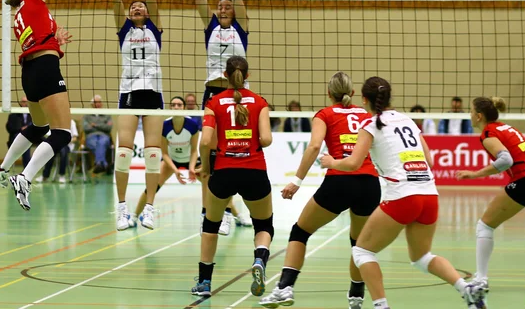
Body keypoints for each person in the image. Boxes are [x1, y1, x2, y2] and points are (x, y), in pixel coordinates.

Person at [319, 77, 486, 309]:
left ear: (364, 99)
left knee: (362, 252)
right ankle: (466, 289)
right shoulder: (407, 120)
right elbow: (429, 159)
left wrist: (331, 161)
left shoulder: (370, 125)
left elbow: (354, 163)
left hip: (403, 195)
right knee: (421, 257)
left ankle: (381, 305)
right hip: (429, 195)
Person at [260, 71, 380, 309]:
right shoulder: (367, 115)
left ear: (329, 93)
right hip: (369, 182)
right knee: (359, 243)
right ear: (353, 93)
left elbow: (315, 146)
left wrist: (296, 180)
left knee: (300, 232)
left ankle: (284, 288)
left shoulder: (324, 114)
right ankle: (356, 296)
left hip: (339, 181)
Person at [0, 0, 83, 211]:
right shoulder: (34, 0)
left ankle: (2, 169)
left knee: (39, 126)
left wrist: (56, 39)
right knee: (62, 133)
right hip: (44, 69)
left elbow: (38, 40)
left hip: (30, 73)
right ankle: (25, 178)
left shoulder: (20, 13)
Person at [182, 0, 249, 234]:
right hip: (212, 93)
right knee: (208, 151)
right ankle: (209, 211)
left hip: (237, 95)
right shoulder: (210, 27)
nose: (222, 8)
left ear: (233, 11)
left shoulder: (241, 28)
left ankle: (225, 210)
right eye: (219, 6)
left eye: (227, 6)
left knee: (232, 151)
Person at [191, 56, 273, 298]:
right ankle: (259, 259)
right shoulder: (260, 102)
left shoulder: (214, 102)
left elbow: (206, 141)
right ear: (247, 76)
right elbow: (267, 139)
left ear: (225, 75)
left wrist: (206, 166)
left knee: (211, 224)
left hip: (224, 170)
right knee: (263, 224)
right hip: (254, 170)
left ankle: (204, 283)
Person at [95, 0, 164, 231]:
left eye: (141, 6)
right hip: (129, 95)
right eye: (133, 6)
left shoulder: (155, 29)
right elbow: (116, 2)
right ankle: (122, 209)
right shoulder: (124, 30)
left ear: (147, 12)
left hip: (154, 95)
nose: (137, 7)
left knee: (152, 154)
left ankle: (149, 208)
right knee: (123, 152)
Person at [456, 97, 525, 301]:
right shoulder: (506, 128)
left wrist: (474, 174)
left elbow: (505, 160)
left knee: (485, 225)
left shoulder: (488, 133)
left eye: (471, 111)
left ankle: (481, 280)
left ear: (479, 116)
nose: (469, 115)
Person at [133, 96, 200, 220]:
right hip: (172, 160)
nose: (176, 107)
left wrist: (191, 168)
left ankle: (236, 215)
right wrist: (175, 170)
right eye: (173, 105)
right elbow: (164, 153)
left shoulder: (192, 125)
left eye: (179, 105)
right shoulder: (165, 125)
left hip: (190, 159)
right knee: (152, 186)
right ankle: (134, 216)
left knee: (213, 185)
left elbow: (195, 151)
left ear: (184, 108)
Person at [83, 95, 113, 173]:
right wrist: (102, 125)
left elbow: (109, 127)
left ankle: (99, 163)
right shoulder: (87, 115)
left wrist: (95, 125)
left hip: (104, 136)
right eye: (96, 102)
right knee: (97, 144)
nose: (98, 104)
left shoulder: (107, 114)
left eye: (100, 102)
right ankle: (104, 164)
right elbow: (85, 128)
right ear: (92, 104)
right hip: (91, 136)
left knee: (101, 142)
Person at [41, 118, 78, 183]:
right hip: (56, 143)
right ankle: (45, 176)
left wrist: (66, 141)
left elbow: (75, 138)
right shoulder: (53, 121)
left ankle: (62, 175)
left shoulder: (71, 122)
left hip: (67, 144)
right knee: (50, 152)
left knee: (63, 152)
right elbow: (48, 135)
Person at [6, 96, 33, 169]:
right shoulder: (14, 115)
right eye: (24, 102)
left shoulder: (33, 114)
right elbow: (9, 128)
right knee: (25, 140)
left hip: (33, 136)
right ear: (21, 103)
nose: (26, 104)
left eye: (27, 102)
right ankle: (27, 168)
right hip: (18, 136)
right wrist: (21, 129)